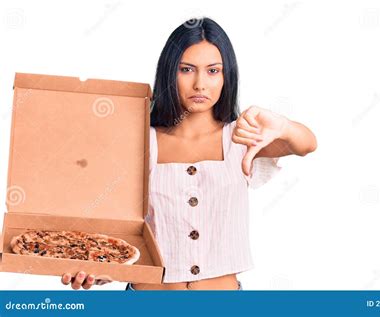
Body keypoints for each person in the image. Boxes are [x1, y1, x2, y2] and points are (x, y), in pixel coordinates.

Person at [61, 17, 317, 291]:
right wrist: (101, 268)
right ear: (169, 73)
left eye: (213, 71)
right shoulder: (138, 142)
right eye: (186, 69)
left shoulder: (241, 137)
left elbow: (306, 144)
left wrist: (284, 126)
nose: (199, 84)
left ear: (226, 76)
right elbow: (118, 230)